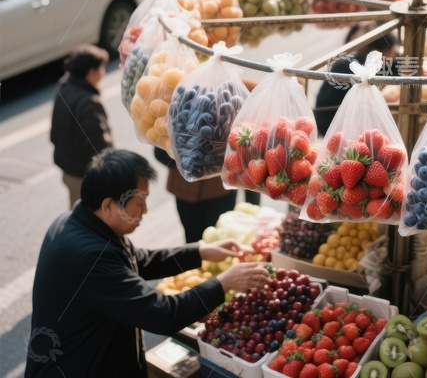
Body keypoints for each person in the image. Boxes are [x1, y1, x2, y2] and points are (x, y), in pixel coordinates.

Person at [26, 149, 269, 378]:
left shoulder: (78, 221)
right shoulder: (89, 258)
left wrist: (201, 252)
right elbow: (163, 314)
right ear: (108, 205)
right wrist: (222, 283)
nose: (144, 211)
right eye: (138, 203)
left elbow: (138, 259)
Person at [51, 45, 113, 208]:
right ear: (91, 71)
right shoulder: (88, 102)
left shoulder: (65, 84)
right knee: (88, 214)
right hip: (83, 172)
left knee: (77, 207)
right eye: (101, 68)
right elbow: (99, 143)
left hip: (67, 164)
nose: (103, 72)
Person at [314, 24, 399, 135]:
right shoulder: (354, 69)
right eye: (393, 51)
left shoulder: (347, 63)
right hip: (335, 126)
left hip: (328, 124)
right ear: (385, 51)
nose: (395, 56)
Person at [155, 147, 237, 243]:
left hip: (217, 189)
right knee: (199, 237)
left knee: (219, 236)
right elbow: (160, 151)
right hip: (191, 189)